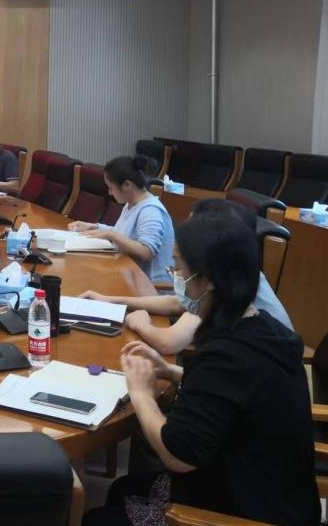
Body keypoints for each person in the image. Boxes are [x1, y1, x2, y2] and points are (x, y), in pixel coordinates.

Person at [83, 216, 318, 526]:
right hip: (278, 496)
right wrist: (170, 371)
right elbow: (235, 395)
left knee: (97, 518)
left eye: (180, 269)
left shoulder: (226, 355)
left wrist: (141, 393)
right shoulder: (263, 328)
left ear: (209, 280)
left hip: (243, 511)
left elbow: (177, 455)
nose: (177, 277)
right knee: (123, 490)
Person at [82, 199, 294, 355]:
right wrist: (112, 300)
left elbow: (169, 342)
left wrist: (140, 323)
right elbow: (178, 303)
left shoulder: (221, 284)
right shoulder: (229, 270)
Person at [68, 156, 173, 283]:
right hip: (130, 275)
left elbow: (146, 252)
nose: (109, 193)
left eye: (111, 188)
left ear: (127, 184)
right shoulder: (131, 203)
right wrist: (95, 226)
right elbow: (124, 233)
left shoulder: (150, 211)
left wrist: (111, 235)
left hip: (151, 286)